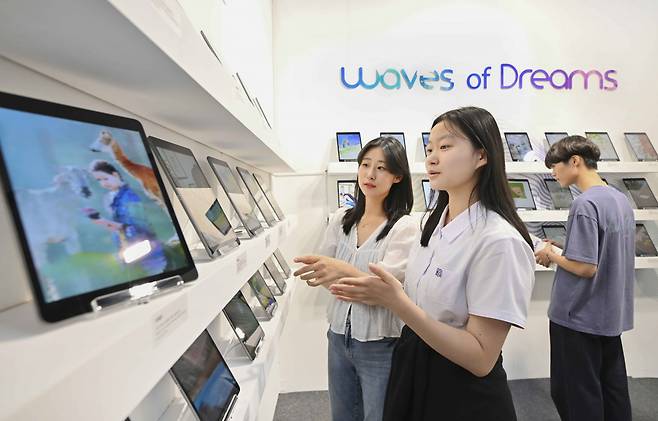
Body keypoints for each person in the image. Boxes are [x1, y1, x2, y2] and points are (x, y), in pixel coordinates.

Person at [330, 107, 535, 420]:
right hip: (414, 368)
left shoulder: (499, 241)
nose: (432, 158)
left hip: (461, 393)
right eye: (429, 149)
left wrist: (396, 302)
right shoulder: (435, 224)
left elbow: (481, 358)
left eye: (445, 146)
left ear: (481, 156)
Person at [294, 137, 416, 421]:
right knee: (343, 415)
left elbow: (386, 289)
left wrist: (341, 269)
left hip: (380, 344)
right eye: (365, 165)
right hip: (338, 337)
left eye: (382, 168)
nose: (370, 174)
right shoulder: (342, 219)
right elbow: (324, 272)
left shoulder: (404, 227)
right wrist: (342, 276)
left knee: (379, 415)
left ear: (397, 176)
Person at [535, 135, 634, 421]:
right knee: (612, 389)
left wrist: (550, 254)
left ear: (575, 161)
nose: (553, 174)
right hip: (609, 315)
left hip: (578, 315)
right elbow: (602, 252)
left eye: (555, 166)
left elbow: (585, 267)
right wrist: (560, 248)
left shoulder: (584, 205)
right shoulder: (619, 199)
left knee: (575, 393)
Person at [87, 159, 167, 274]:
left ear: (115, 174)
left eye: (105, 178)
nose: (103, 183)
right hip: (131, 252)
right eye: (99, 180)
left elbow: (137, 226)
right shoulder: (113, 197)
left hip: (147, 253)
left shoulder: (130, 195)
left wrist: (103, 221)